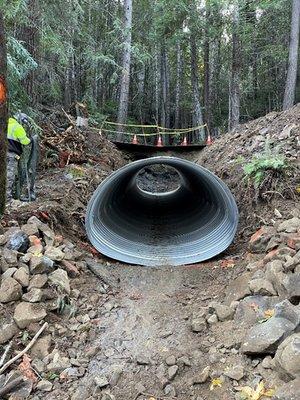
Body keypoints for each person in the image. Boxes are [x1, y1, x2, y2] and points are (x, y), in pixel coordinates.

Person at [6, 113, 31, 201]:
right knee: (9, 176)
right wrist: (31, 139)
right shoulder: (17, 126)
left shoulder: (4, 124)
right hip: (11, 155)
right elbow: (24, 141)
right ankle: (7, 200)